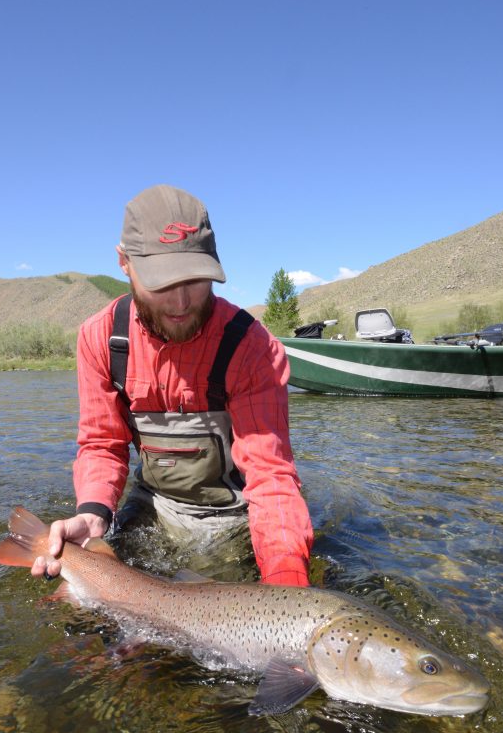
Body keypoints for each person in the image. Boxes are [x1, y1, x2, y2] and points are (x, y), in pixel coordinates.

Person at [31, 184, 313, 586]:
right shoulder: (100, 339)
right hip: (152, 507)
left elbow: (270, 478)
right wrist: (93, 514)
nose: (181, 302)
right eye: (162, 283)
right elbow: (102, 443)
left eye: (196, 280)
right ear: (124, 263)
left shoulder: (252, 347)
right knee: (93, 635)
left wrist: (288, 584)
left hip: (234, 518)